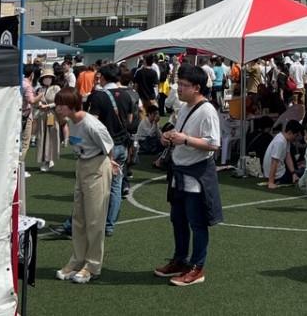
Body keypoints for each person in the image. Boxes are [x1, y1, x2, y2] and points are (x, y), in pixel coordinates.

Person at [153, 64, 222, 286]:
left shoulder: (207, 110)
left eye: (184, 85)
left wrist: (185, 140)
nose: (179, 88)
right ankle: (180, 259)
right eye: (179, 84)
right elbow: (179, 132)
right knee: (178, 219)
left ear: (197, 88)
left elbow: (213, 144)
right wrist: (168, 137)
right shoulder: (184, 107)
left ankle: (197, 266)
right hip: (180, 170)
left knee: (196, 222)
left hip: (196, 174)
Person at [53, 88, 116, 284]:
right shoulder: (71, 121)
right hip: (82, 166)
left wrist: (111, 165)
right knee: (78, 217)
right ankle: (77, 260)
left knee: (95, 219)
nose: (58, 108)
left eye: (61, 104)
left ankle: (92, 265)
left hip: (96, 167)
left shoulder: (92, 125)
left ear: (72, 105)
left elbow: (109, 147)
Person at [88, 64, 136, 237]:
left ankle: (93, 220)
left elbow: (93, 123)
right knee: (116, 185)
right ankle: (109, 224)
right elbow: (130, 120)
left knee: (97, 185)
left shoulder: (98, 96)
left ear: (104, 77)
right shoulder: (128, 95)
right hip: (122, 143)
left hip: (105, 147)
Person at [34, 64, 60, 172]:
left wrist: (47, 106)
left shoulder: (56, 88)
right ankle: (44, 160)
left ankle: (50, 159)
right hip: (42, 115)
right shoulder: (40, 89)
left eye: (49, 77)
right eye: (45, 77)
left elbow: (59, 101)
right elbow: (35, 101)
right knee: (42, 137)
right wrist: (39, 104)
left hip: (52, 115)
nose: (47, 79)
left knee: (51, 137)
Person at [262, 120, 301, 189]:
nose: (296, 138)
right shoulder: (280, 142)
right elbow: (274, 162)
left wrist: (293, 173)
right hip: (277, 175)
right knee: (303, 173)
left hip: (278, 173)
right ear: (290, 132)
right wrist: (271, 182)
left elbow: (288, 156)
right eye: (296, 135)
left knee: (298, 173)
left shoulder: (285, 139)